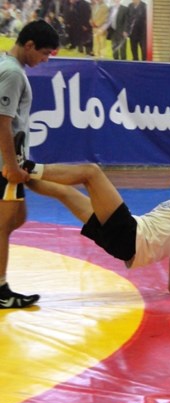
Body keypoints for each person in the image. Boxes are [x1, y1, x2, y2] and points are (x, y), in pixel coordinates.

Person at [21, 157, 170, 296]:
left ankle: (29, 167)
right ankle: (19, 176)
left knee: (91, 172)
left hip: (131, 236)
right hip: (124, 243)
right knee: (65, 192)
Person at [0, 19, 59, 309]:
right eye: (44, 53)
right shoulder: (12, 72)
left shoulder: (8, 65)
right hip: (5, 163)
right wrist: (11, 166)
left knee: (16, 218)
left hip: (10, 160)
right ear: (30, 45)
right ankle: (1, 291)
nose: (45, 59)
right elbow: (2, 122)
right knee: (3, 225)